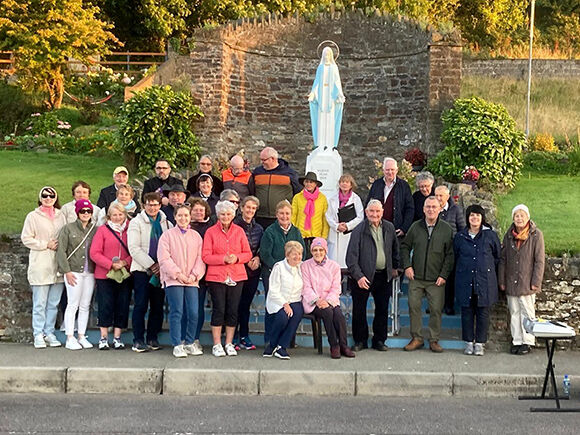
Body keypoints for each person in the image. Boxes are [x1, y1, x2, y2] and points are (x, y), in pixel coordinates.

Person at [400, 196, 454, 353]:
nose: (431, 210)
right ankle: (416, 338)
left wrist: (443, 275)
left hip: (436, 279)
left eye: (434, 207)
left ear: (439, 209)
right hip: (416, 278)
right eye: (428, 207)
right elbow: (404, 247)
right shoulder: (415, 227)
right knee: (413, 307)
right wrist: (407, 266)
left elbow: (450, 255)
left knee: (436, 309)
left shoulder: (446, 229)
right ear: (423, 209)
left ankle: (433, 339)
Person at [346, 199, 399, 352]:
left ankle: (379, 340)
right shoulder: (358, 230)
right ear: (366, 212)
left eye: (377, 211)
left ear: (382, 212)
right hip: (363, 277)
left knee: (382, 309)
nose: (374, 214)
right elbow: (351, 257)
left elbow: (395, 249)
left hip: (383, 276)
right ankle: (360, 341)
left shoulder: (389, 227)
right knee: (359, 310)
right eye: (371, 211)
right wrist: (359, 276)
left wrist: (394, 267)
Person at [202, 200, 252, 357]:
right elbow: (206, 256)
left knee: (232, 310)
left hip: (236, 275)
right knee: (219, 310)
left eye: (228, 214)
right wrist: (223, 259)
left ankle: (229, 343)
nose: (225, 217)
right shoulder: (210, 232)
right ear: (218, 215)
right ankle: (217, 344)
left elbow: (248, 254)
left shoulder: (239, 231)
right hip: (217, 277)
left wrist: (236, 258)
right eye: (222, 214)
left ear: (233, 215)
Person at [157, 204, 206, 358]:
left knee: (193, 312)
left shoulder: (196, 236)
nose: (183, 218)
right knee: (177, 311)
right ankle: (177, 344)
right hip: (174, 280)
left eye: (186, 215)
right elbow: (164, 258)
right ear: (175, 217)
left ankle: (190, 342)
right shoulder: (167, 235)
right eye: (180, 215)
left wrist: (194, 275)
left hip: (191, 280)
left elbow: (200, 258)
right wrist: (178, 274)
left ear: (190, 217)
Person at [21, 186, 67, 348]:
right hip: (40, 262)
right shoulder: (33, 216)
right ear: (40, 198)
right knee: (40, 302)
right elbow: (26, 238)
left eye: (51, 196)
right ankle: (38, 333)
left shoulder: (61, 216)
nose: (48, 198)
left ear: (56, 198)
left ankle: (49, 332)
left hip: (57, 265)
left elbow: (66, 236)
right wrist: (45, 244)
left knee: (53, 303)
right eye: (45, 196)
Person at [127, 192, 173, 353]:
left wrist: (162, 266)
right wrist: (151, 265)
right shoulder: (136, 223)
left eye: (155, 204)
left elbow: (170, 246)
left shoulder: (167, 223)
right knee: (141, 305)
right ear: (144, 205)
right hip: (142, 270)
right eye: (149, 204)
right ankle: (138, 340)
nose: (152, 207)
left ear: (160, 205)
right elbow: (134, 248)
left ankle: (152, 337)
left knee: (157, 306)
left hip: (161, 271)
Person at [454, 204, 501, 356]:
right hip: (465, 278)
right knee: (466, 311)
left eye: (478, 215)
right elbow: (455, 256)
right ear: (467, 218)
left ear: (482, 218)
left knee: (482, 312)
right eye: (472, 215)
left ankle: (480, 343)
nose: (475, 218)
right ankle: (468, 342)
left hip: (484, 280)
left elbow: (497, 257)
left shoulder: (490, 236)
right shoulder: (460, 236)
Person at [498, 204, 545, 356]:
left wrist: (535, 282)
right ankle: (517, 340)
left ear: (528, 217)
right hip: (512, 280)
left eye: (522, 215)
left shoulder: (536, 235)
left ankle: (527, 341)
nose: (519, 218)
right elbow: (503, 259)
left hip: (527, 281)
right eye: (516, 216)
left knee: (527, 313)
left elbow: (539, 261)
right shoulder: (508, 235)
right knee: (514, 312)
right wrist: (502, 280)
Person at [301, 238, 355, 359]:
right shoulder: (305, 266)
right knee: (327, 313)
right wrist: (317, 301)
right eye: (315, 250)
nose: (318, 252)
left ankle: (343, 345)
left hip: (330, 301)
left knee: (338, 314)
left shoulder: (334, 266)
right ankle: (334, 345)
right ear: (311, 251)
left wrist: (328, 301)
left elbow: (336, 287)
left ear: (325, 251)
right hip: (313, 302)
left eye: (321, 250)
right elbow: (306, 287)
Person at [89, 202, 133, 350]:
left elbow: (135, 250)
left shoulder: (130, 229)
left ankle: (117, 336)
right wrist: (110, 264)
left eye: (120, 214)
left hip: (124, 274)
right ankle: (103, 338)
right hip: (105, 275)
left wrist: (125, 262)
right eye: (114, 215)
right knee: (105, 305)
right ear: (109, 216)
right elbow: (94, 253)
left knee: (122, 304)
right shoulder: (102, 230)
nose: (118, 217)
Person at [56, 199, 97, 350]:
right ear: (77, 213)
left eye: (88, 211)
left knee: (85, 305)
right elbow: (61, 251)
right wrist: (66, 271)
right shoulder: (68, 229)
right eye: (82, 211)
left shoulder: (95, 229)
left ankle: (81, 335)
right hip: (74, 270)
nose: (86, 214)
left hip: (90, 271)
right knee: (72, 304)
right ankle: (69, 337)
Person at [264, 241, 305, 359]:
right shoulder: (279, 267)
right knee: (282, 316)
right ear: (287, 255)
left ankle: (282, 346)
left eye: (299, 254)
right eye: (294, 254)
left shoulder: (301, 267)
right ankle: (272, 344)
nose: (297, 257)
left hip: (295, 300)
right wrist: (284, 304)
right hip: (278, 300)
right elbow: (273, 290)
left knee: (297, 313)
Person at [233, 195, 264, 350]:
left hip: (252, 272)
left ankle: (244, 336)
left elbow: (260, 247)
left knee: (245, 305)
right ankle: (233, 337)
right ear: (242, 208)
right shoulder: (234, 225)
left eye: (253, 208)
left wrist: (257, 258)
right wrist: (245, 260)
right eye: (248, 207)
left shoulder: (259, 228)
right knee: (234, 305)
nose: (250, 210)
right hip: (237, 270)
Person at [188, 197, 214, 354]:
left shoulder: (211, 227)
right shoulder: (186, 226)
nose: (198, 212)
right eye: (195, 210)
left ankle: (195, 337)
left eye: (201, 210)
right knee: (187, 309)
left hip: (205, 273)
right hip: (186, 272)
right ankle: (185, 338)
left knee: (198, 308)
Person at [435, 185, 466, 315]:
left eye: (441, 196)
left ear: (448, 197)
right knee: (435, 279)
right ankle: (436, 305)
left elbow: (462, 228)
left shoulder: (456, 210)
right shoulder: (432, 208)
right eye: (436, 195)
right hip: (435, 250)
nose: (438, 198)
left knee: (449, 279)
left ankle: (449, 305)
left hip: (451, 250)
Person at [252, 147, 300, 228]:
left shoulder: (289, 173)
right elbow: (252, 190)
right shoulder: (257, 172)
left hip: (281, 217)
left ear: (273, 159)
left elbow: (298, 192)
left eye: (264, 160)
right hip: (260, 216)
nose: (262, 162)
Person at [366, 157, 414, 238]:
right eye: (387, 170)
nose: (390, 172)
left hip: (396, 232)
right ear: (383, 170)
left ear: (397, 170)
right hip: (377, 230)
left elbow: (410, 209)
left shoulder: (404, 186)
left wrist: (404, 228)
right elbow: (368, 205)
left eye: (392, 169)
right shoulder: (376, 185)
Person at [308, 46, 345, 150]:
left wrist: (340, 94)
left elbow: (337, 82)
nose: (327, 57)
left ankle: (329, 144)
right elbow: (317, 82)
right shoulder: (320, 68)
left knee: (330, 119)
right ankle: (320, 143)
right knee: (321, 120)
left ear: (331, 56)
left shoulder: (334, 68)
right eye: (325, 55)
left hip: (331, 98)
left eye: (328, 55)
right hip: (321, 97)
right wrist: (313, 93)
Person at [325, 173, 364, 268]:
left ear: (351, 184)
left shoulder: (356, 199)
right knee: (333, 264)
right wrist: (336, 226)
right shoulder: (332, 199)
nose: (344, 184)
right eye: (342, 182)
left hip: (348, 234)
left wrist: (347, 226)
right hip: (335, 234)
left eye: (347, 182)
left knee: (347, 262)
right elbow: (328, 216)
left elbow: (360, 217)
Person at [291, 171, 329, 255]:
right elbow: (293, 216)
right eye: (306, 182)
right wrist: (293, 232)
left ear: (315, 184)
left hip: (317, 233)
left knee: (315, 257)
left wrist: (323, 236)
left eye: (311, 182)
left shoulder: (322, 198)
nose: (309, 184)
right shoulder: (297, 197)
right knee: (301, 256)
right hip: (301, 233)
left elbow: (325, 218)